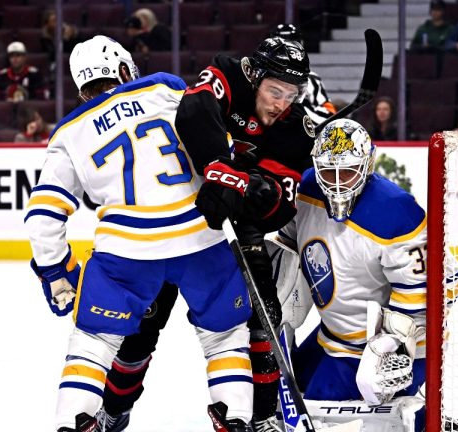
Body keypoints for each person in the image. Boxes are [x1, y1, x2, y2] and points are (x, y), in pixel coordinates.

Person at [24, 35, 254, 432]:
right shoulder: (165, 87)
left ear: (82, 88)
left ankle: (72, 422)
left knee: (93, 343)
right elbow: (214, 139)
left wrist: (56, 271)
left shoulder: (69, 133)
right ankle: (235, 419)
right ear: (126, 70)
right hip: (201, 234)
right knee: (226, 339)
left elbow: (42, 217)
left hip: (127, 251)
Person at [97, 36, 317, 432]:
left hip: (234, 228)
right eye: (275, 91)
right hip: (176, 216)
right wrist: (221, 168)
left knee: (262, 318)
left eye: (291, 94)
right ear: (255, 76)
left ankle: (264, 414)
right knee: (142, 325)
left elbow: (279, 205)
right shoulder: (230, 74)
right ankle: (114, 408)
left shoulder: (296, 128)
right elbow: (195, 109)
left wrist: (249, 191)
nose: (281, 103)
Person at [274, 119, 458, 431]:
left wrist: (394, 347)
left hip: (401, 350)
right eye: (327, 171)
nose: (335, 183)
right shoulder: (307, 189)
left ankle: (421, 415)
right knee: (278, 392)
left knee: (330, 408)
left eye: (346, 171)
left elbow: (439, 283)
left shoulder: (395, 211)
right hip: (336, 337)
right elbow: (290, 247)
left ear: (367, 165)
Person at [269, 23, 336, 120]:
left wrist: (299, 112)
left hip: (304, 131)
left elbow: (330, 114)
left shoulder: (312, 79)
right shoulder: (263, 76)